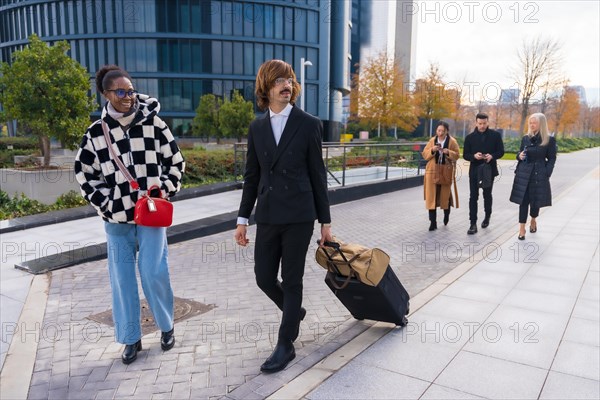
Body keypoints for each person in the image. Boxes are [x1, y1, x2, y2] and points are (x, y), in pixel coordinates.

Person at [74, 65, 185, 364]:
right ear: (105, 94)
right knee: (122, 279)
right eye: (120, 92)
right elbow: (84, 174)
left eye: (130, 90)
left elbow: (176, 162)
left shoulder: (154, 124)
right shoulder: (96, 133)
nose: (127, 97)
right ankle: (130, 338)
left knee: (153, 272)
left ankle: (166, 325)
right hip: (116, 220)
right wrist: (107, 204)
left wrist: (163, 189)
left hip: (151, 216)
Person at [234, 59, 333, 373]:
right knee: (264, 278)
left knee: (292, 280)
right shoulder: (257, 126)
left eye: (289, 79)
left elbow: (318, 175)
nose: (286, 85)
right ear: (266, 87)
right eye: (279, 80)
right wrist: (241, 219)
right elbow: (252, 176)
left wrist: (325, 222)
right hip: (267, 214)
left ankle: (285, 342)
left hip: (299, 214)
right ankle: (294, 312)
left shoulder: (308, 124)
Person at [509, 113, 557, 240]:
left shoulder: (549, 140)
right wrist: (519, 156)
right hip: (524, 174)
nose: (531, 124)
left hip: (539, 174)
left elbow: (552, 158)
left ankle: (533, 219)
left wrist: (547, 172)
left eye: (534, 122)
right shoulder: (525, 138)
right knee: (523, 202)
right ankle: (521, 228)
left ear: (541, 124)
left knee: (535, 202)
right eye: (530, 122)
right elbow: (519, 153)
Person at [463, 113, 505, 234]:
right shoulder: (469, 138)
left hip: (489, 170)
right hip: (474, 171)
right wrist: (474, 156)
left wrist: (492, 156)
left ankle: (487, 217)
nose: (482, 126)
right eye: (480, 123)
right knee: (473, 197)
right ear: (476, 123)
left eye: (484, 123)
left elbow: (501, 151)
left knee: (487, 195)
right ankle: (472, 224)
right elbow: (466, 155)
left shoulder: (495, 136)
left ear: (488, 122)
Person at [422, 121, 460, 231]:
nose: (440, 133)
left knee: (445, 196)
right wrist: (432, 150)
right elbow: (425, 154)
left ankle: (446, 215)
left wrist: (448, 152)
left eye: (443, 131)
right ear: (436, 131)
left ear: (447, 131)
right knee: (431, 197)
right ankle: (432, 222)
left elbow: (457, 155)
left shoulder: (452, 141)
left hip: (445, 172)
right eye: (438, 130)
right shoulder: (432, 141)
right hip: (432, 172)